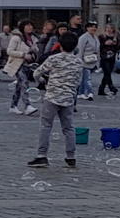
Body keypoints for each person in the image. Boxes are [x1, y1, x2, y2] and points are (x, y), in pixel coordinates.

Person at [27, 31, 84, 169]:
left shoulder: (54, 59)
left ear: (60, 45)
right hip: (69, 98)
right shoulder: (78, 61)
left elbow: (37, 72)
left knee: (46, 126)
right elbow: (78, 81)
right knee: (69, 128)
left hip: (52, 97)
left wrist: (42, 80)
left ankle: (42, 156)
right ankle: (71, 157)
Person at [76, 22, 102, 100]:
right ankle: (89, 92)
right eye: (91, 27)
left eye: (95, 27)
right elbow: (80, 50)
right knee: (87, 78)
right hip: (84, 60)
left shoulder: (95, 37)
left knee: (85, 78)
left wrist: (98, 61)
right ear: (87, 28)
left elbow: (98, 50)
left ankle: (81, 93)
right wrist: (79, 60)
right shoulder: (83, 37)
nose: (93, 28)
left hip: (92, 60)